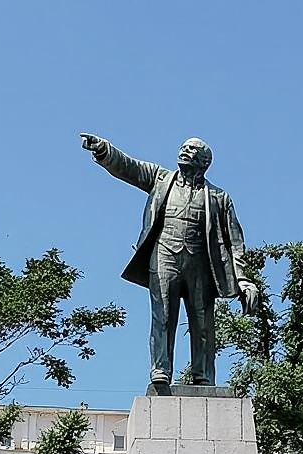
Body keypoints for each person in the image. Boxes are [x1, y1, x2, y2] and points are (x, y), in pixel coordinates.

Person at [80, 133, 260, 386]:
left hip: (201, 263)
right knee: (162, 316)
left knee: (203, 323)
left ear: (205, 162)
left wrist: (243, 279)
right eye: (184, 147)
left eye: (192, 149)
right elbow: (130, 167)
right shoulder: (161, 179)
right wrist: (104, 150)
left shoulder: (219, 197)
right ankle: (161, 369)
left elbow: (235, 242)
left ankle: (203, 375)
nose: (184, 151)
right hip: (164, 256)